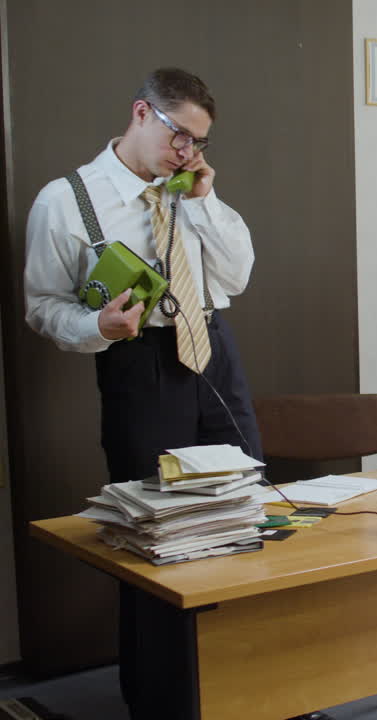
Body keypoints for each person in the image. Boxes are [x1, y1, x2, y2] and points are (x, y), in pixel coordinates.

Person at [23, 67, 265, 720]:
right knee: (157, 537)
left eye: (199, 143)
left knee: (240, 512)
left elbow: (237, 274)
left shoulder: (189, 189)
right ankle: (163, 700)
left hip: (213, 350)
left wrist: (206, 198)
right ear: (140, 113)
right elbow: (42, 306)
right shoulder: (66, 200)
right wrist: (95, 325)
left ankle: (247, 690)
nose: (185, 153)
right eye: (178, 135)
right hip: (139, 363)